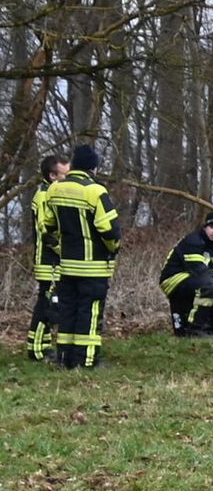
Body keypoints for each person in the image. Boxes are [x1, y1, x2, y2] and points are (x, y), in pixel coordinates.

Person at [41, 145, 121, 368]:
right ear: (93, 167)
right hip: (93, 266)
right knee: (90, 312)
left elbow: (48, 226)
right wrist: (113, 248)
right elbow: (110, 231)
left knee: (68, 311)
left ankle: (64, 358)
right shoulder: (95, 191)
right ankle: (86, 360)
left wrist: (62, 248)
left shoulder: (55, 189)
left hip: (67, 265)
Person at [159, 211, 213, 336]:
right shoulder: (193, 241)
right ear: (205, 227)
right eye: (212, 227)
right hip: (174, 280)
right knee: (210, 284)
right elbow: (199, 271)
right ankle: (195, 329)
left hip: (197, 278)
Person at [26, 153, 69, 361]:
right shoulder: (44, 195)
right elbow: (46, 230)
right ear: (53, 175)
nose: (68, 179)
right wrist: (66, 249)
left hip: (52, 260)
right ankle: (35, 350)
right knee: (46, 305)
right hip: (48, 261)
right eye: (65, 174)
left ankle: (43, 345)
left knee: (49, 303)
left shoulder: (51, 192)